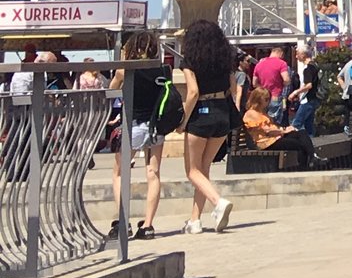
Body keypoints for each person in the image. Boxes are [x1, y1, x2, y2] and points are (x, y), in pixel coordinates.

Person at [172, 20, 241, 234]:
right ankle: (195, 220)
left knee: (192, 170)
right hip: (222, 112)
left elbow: (192, 92)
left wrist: (183, 121)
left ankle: (218, 202)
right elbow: (234, 88)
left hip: (201, 112)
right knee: (204, 169)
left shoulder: (190, 61)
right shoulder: (225, 60)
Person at [113, 39, 178, 240]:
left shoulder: (125, 71)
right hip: (155, 126)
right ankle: (148, 225)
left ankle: (123, 222)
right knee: (153, 173)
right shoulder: (164, 70)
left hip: (131, 124)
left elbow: (111, 90)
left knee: (120, 173)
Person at [240, 86, 315, 164]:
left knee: (300, 133)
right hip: (266, 143)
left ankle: (313, 157)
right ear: (258, 100)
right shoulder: (251, 113)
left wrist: (286, 129)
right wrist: (283, 131)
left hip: (274, 138)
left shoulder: (262, 112)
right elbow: (267, 131)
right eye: (266, 100)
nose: (268, 102)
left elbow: (272, 127)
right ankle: (304, 166)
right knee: (298, 144)